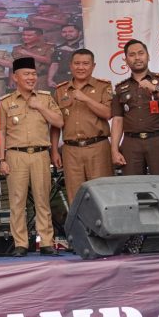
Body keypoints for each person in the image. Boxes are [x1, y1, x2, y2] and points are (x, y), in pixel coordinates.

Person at [0, 57, 64, 257]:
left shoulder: (45, 98)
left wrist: (40, 107)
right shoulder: (6, 102)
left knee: (43, 200)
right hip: (15, 155)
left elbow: (59, 122)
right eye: (26, 74)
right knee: (17, 202)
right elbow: (1, 131)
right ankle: (20, 243)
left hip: (40, 154)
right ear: (15, 77)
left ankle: (46, 242)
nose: (31, 78)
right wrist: (1, 159)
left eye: (34, 74)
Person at [50, 49, 113, 205]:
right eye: (77, 63)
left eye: (85, 64)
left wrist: (86, 98)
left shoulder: (103, 86)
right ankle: (78, 223)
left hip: (97, 147)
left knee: (102, 195)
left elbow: (108, 113)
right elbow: (56, 124)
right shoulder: (61, 90)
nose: (81, 67)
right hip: (70, 150)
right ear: (70, 66)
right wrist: (54, 150)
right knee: (75, 197)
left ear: (93, 66)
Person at [111, 39, 159, 175]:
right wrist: (114, 150)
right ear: (126, 60)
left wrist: (155, 89)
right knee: (133, 184)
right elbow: (117, 120)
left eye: (141, 53)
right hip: (131, 143)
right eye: (132, 54)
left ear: (148, 56)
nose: (137, 58)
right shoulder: (120, 88)